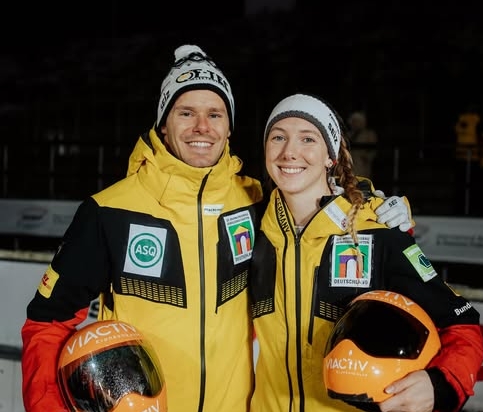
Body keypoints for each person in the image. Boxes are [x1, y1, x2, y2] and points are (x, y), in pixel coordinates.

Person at [20, 46, 415, 412]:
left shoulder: (255, 200)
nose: (201, 127)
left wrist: (372, 203)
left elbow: (320, 198)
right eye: (185, 112)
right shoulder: (107, 211)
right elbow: (46, 323)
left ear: (229, 128)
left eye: (215, 114)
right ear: (163, 124)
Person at [249, 93, 483, 412]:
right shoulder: (254, 228)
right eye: (278, 137)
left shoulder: (377, 230)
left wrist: (441, 386)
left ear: (330, 156)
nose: (290, 152)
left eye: (308, 138)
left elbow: (461, 323)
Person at [347, 111, 378, 180]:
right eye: (354, 121)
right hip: (350, 164)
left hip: (362, 165)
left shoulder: (369, 134)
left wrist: (367, 158)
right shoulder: (349, 134)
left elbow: (373, 150)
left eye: (357, 121)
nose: (355, 123)